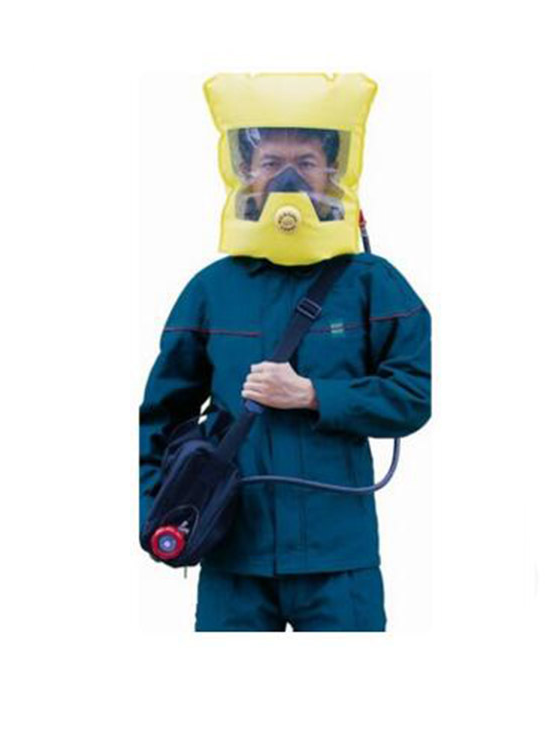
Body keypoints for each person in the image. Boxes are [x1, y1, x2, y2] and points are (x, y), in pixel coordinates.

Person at [140, 73, 431, 631]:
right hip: (232, 553)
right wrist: (156, 513)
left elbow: (418, 392)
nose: (289, 178)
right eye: (271, 162)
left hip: (338, 560)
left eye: (306, 162)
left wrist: (316, 395)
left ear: (334, 172)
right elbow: (159, 417)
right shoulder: (211, 290)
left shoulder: (373, 284)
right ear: (245, 172)